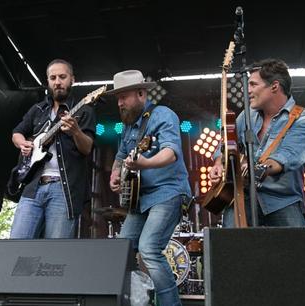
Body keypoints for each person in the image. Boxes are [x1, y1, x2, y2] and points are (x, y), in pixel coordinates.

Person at [108, 70, 192, 306]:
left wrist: (145, 163)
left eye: (124, 96)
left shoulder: (164, 115)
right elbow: (120, 156)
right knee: (121, 251)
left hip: (169, 191)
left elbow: (171, 152)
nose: (120, 103)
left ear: (142, 93)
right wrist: (116, 174)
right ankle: (138, 301)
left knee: (149, 248)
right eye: (117, 98)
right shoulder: (126, 127)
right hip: (140, 199)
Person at [209, 58, 305, 227]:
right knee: (231, 250)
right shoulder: (246, 116)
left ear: (274, 86)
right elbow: (225, 145)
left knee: (296, 252)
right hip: (241, 197)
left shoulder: (304, 119)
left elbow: (286, 157)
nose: (248, 90)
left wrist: (255, 168)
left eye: (253, 84)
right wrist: (218, 163)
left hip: (282, 200)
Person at [10, 59, 96, 239]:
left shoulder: (84, 110)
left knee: (55, 252)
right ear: (48, 81)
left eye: (62, 77)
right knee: (16, 244)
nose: (58, 82)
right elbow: (17, 133)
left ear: (72, 79)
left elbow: (87, 148)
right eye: (53, 77)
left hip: (63, 190)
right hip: (33, 187)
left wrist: (75, 131)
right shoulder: (38, 109)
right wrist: (23, 144)